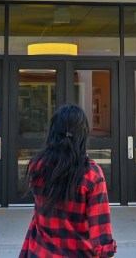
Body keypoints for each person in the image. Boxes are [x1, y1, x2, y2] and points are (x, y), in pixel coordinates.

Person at [20, 104, 116, 258]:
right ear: (82, 135)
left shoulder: (37, 165)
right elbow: (101, 236)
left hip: (40, 252)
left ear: (53, 132)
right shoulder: (92, 175)